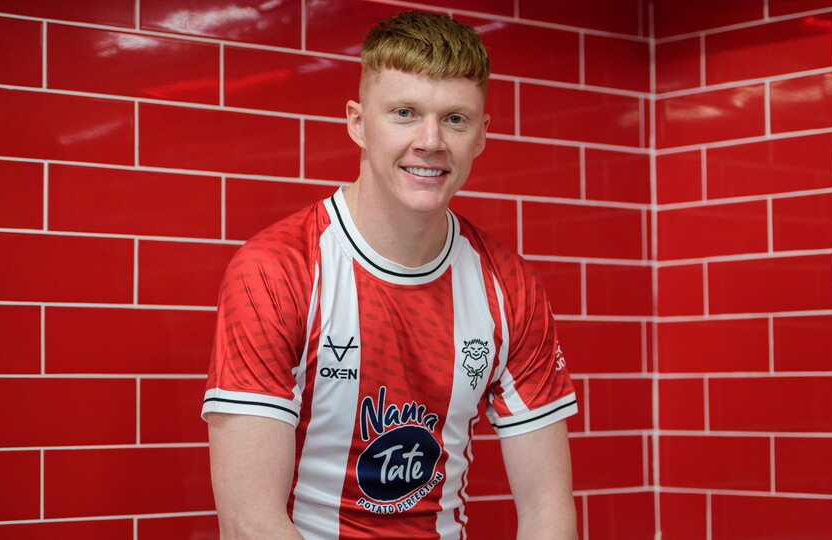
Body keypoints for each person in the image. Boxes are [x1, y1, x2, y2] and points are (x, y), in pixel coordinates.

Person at [202, 10, 578, 540]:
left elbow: (548, 511)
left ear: (482, 135)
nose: (431, 141)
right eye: (404, 112)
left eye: (455, 118)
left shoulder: (508, 286)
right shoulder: (277, 271)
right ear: (357, 122)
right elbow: (249, 523)